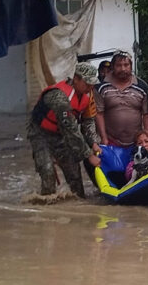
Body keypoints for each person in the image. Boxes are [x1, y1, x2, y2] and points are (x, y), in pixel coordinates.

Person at [28, 62, 102, 199]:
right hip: (41, 134)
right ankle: (47, 205)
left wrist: (93, 142)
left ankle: (79, 204)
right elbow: (71, 130)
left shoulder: (87, 96)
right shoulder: (59, 98)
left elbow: (88, 122)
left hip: (60, 134)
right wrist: (89, 155)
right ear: (76, 79)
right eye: (87, 83)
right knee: (48, 170)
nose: (90, 87)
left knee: (74, 173)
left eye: (92, 84)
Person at [95, 51, 148, 147]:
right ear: (113, 67)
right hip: (111, 142)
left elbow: (146, 114)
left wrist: (147, 136)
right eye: (119, 65)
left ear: (131, 66)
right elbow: (99, 114)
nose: (123, 68)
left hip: (136, 142)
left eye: (126, 65)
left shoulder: (142, 86)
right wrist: (103, 138)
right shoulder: (101, 87)